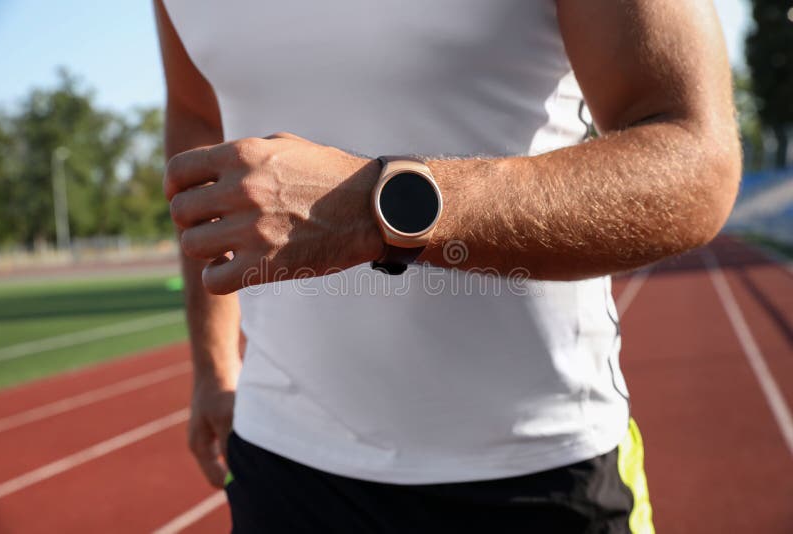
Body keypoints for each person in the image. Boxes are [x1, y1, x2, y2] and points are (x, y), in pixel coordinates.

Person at [154, 0, 739, 532]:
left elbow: (697, 159)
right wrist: (213, 364)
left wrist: (374, 206)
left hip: (539, 469)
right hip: (282, 463)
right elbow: (197, 119)